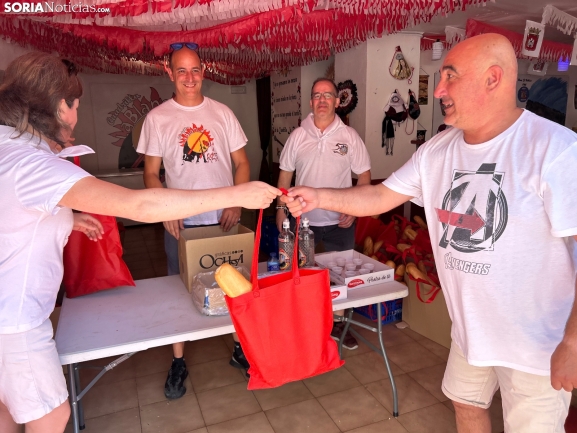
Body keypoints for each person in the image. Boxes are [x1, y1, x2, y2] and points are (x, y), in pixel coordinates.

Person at [282, 34, 577, 432]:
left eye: (450, 76)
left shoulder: (555, 149)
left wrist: (573, 342)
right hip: (470, 332)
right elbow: (379, 196)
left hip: (537, 344)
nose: (439, 90)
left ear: (492, 78)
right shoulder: (438, 150)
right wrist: (318, 196)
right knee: (465, 405)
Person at [0, 52, 280, 433]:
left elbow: (18, 210)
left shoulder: (9, 148)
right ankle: (179, 361)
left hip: (10, 318)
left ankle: (239, 346)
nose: (77, 116)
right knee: (51, 416)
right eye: (76, 105)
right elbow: (140, 204)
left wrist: (69, 218)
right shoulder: (33, 163)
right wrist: (237, 194)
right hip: (14, 323)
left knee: (7, 409)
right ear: (57, 107)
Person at [136, 42, 253, 398]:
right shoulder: (158, 119)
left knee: (235, 285)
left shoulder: (222, 113)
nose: (189, 78)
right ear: (169, 73)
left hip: (223, 221)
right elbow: (151, 173)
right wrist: (166, 210)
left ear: (204, 72)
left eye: (195, 70)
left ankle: (240, 347)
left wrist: (236, 200)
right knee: (179, 291)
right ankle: (178, 360)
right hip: (182, 225)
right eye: (181, 71)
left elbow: (242, 164)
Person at [276, 77, 371, 350]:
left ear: (337, 101)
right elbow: (285, 177)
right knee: (301, 274)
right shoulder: (298, 136)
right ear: (310, 102)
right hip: (302, 221)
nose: (322, 100)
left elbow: (364, 177)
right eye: (317, 95)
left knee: (340, 277)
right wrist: (280, 211)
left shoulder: (349, 137)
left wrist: (355, 209)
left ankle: (338, 324)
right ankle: (304, 324)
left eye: (327, 95)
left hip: (340, 222)